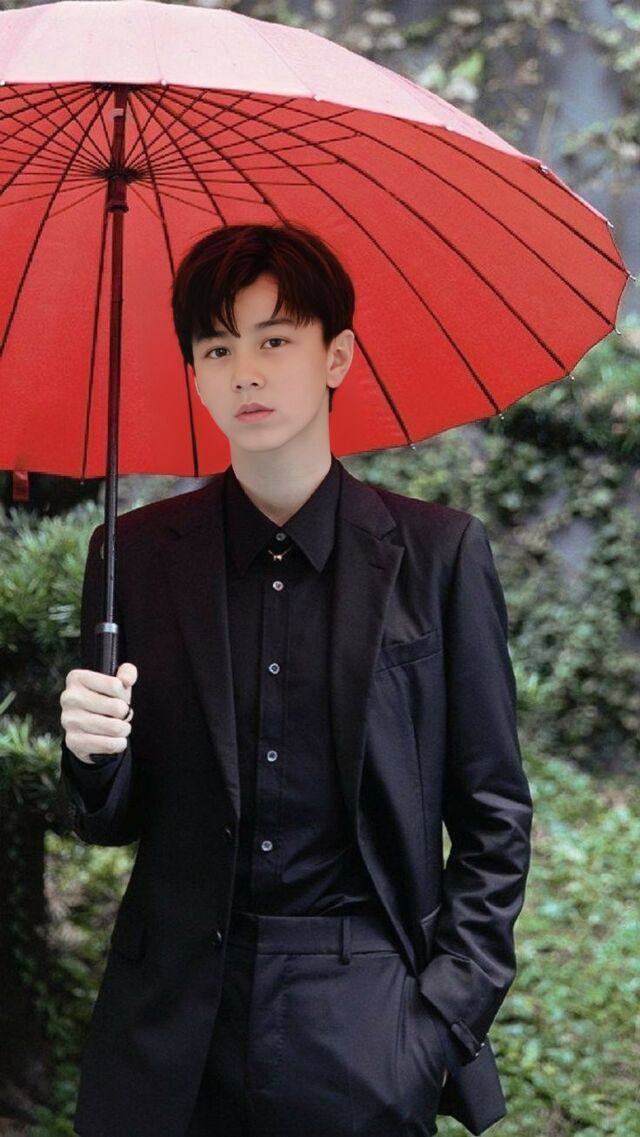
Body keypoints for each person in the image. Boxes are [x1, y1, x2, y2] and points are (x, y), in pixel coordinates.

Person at [56, 222, 533, 1137]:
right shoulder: (134, 558)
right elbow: (109, 818)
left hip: (364, 1018)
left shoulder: (437, 556)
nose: (246, 372)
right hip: (168, 1031)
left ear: (336, 356)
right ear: (196, 375)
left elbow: (494, 813)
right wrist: (91, 753)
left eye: (275, 340)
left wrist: (439, 1019)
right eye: (217, 348)